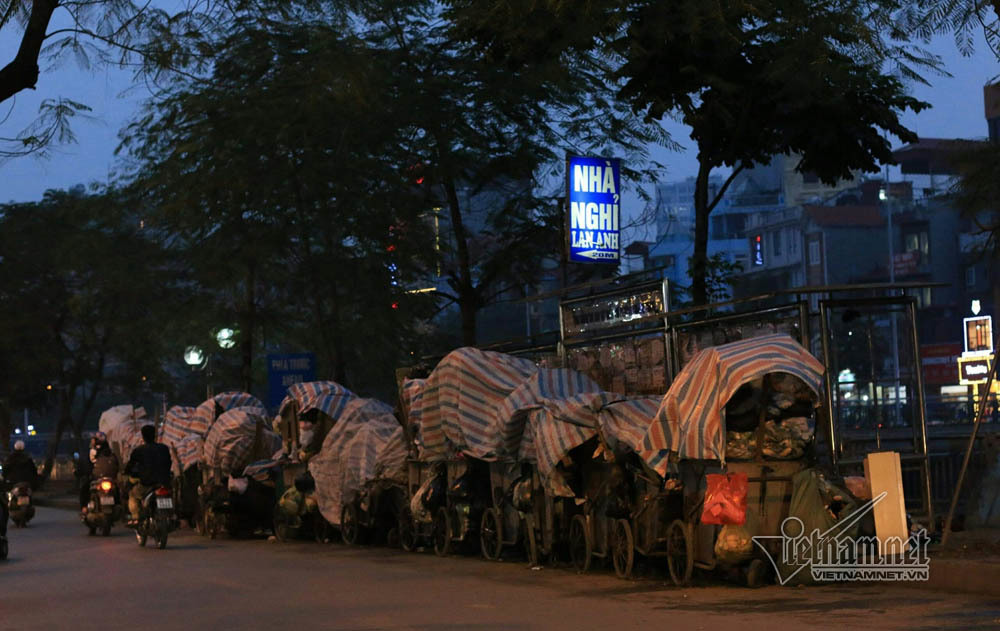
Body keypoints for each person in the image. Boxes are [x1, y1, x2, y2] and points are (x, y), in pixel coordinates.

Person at [124, 425, 172, 526]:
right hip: (164, 483)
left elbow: (130, 466)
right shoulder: (164, 448)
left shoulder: (139, 451)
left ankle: (136, 518)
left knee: (133, 494)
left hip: (147, 484)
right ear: (155, 435)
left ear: (143, 437)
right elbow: (169, 463)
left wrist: (127, 472)